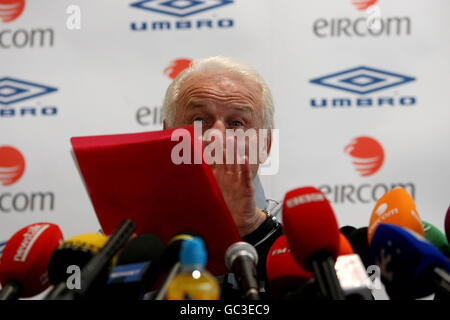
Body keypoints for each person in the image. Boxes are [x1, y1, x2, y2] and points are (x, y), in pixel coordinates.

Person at [162, 56, 283, 298]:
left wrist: (254, 228)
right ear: (167, 135)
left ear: (266, 145)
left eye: (237, 123)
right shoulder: (129, 243)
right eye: (199, 121)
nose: (217, 137)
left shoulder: (299, 240)